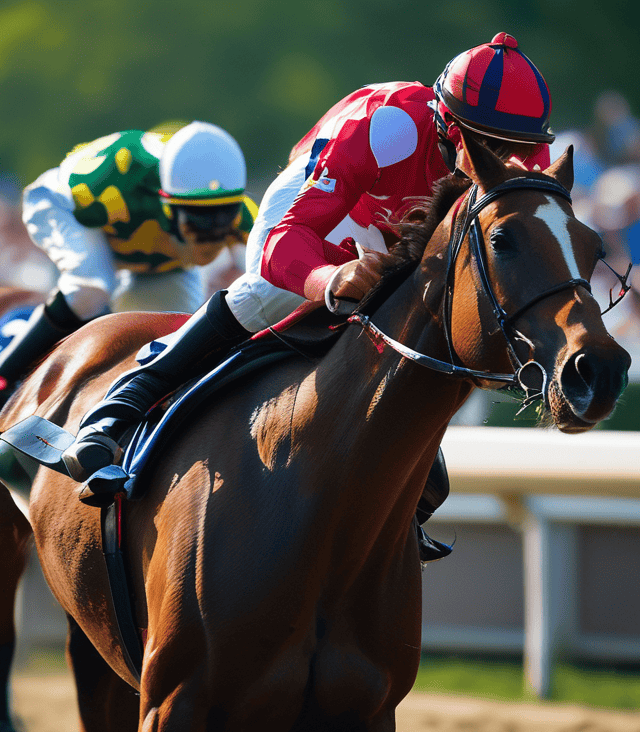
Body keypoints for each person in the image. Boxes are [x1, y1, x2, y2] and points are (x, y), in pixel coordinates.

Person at [70, 33, 556, 560]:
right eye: (490, 146)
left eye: (515, 149)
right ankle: (122, 404)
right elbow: (284, 244)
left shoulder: (524, 152)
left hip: (397, 225)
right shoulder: (387, 127)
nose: (506, 162)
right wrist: (328, 279)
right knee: (269, 291)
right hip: (316, 215)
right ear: (446, 122)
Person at [0, 121, 257, 423]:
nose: (214, 231)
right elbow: (61, 197)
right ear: (166, 202)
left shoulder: (241, 212)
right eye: (199, 218)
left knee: (171, 332)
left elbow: (266, 279)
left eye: (225, 214)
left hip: (148, 252)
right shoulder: (115, 182)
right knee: (89, 289)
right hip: (72, 209)